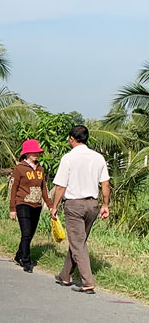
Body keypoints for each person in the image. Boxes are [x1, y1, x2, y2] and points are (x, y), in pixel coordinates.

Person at [50, 125, 110, 294]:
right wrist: (105, 205)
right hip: (93, 205)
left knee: (78, 243)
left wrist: (54, 207)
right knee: (79, 241)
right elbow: (105, 183)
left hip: (74, 204)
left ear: (71, 138)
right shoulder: (98, 158)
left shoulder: (68, 159)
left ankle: (88, 282)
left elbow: (61, 186)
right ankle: (65, 275)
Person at [9, 139, 52, 273]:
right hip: (23, 203)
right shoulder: (19, 168)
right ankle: (26, 261)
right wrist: (12, 209)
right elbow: (14, 188)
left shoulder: (40, 168)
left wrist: (50, 205)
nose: (36, 154)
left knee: (30, 233)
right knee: (26, 232)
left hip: (36, 205)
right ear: (26, 153)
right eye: (33, 152)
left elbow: (43, 188)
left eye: (37, 152)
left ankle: (18, 255)